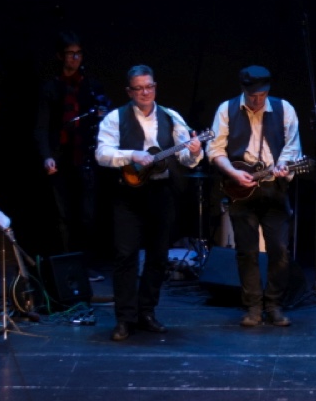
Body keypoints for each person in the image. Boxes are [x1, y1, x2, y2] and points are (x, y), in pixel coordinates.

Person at [95, 64, 202, 341]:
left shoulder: (171, 117)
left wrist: (194, 151)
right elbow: (102, 153)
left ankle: (147, 312)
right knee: (125, 256)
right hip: (128, 195)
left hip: (160, 192)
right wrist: (132, 155)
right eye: (139, 88)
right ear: (129, 91)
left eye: (149, 87)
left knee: (158, 255)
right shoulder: (115, 118)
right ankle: (125, 318)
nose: (145, 92)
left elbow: (186, 159)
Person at [208, 66, 302, 328]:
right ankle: (252, 306)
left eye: (262, 95)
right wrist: (233, 173)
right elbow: (215, 150)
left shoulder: (284, 109)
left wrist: (283, 166)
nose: (257, 101)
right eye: (252, 96)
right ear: (244, 90)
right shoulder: (227, 110)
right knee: (246, 251)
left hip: (274, 188)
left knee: (279, 250)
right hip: (240, 188)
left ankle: (274, 304)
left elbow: (292, 146)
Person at [35, 30, 111, 254]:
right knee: (64, 215)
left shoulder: (91, 87)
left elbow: (106, 118)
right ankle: (68, 263)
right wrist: (47, 156)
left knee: (87, 214)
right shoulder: (51, 88)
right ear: (61, 56)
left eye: (79, 53)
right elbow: (41, 127)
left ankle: (85, 261)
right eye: (70, 54)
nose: (76, 58)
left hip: (86, 157)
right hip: (61, 157)